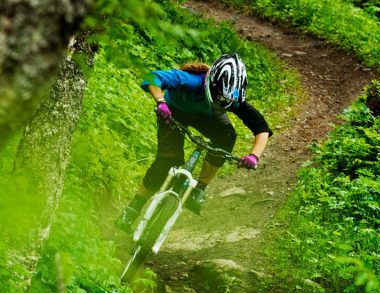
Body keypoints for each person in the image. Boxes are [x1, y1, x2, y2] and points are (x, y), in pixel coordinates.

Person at [116, 53, 272, 231]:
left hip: (209, 118)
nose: (223, 103)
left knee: (227, 135)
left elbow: (262, 129)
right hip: (174, 112)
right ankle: (132, 209)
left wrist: (254, 156)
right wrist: (161, 102)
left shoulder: (230, 100)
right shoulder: (192, 81)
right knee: (167, 161)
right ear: (212, 84)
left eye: (227, 102)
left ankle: (199, 190)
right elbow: (153, 77)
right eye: (220, 97)